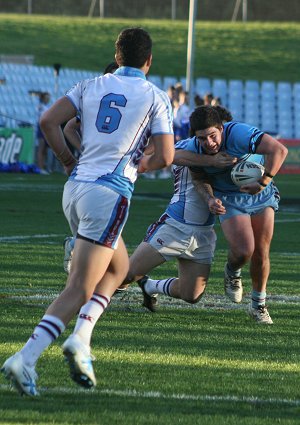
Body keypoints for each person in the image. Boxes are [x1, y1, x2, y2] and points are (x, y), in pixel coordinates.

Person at [1, 27, 175, 397]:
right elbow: (166, 157)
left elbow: (50, 122)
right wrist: (138, 166)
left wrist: (66, 159)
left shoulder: (89, 85)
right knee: (79, 285)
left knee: (119, 269)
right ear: (149, 61)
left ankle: (82, 338)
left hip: (75, 189)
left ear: (118, 55)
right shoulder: (156, 96)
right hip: (109, 193)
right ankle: (25, 358)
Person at [175, 105, 288, 324]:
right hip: (228, 197)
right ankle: (232, 271)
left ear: (222, 128)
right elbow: (198, 178)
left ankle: (258, 305)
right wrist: (209, 199)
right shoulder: (195, 149)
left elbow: (279, 150)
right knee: (244, 251)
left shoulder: (238, 133)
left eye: (212, 136)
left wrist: (264, 181)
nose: (209, 143)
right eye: (202, 138)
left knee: (262, 251)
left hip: (260, 193)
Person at [36, 91, 51, 175]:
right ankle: (40, 167)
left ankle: (43, 167)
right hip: (42, 128)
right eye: (46, 97)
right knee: (41, 149)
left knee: (44, 149)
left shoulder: (45, 106)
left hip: (46, 128)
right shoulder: (41, 107)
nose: (48, 99)